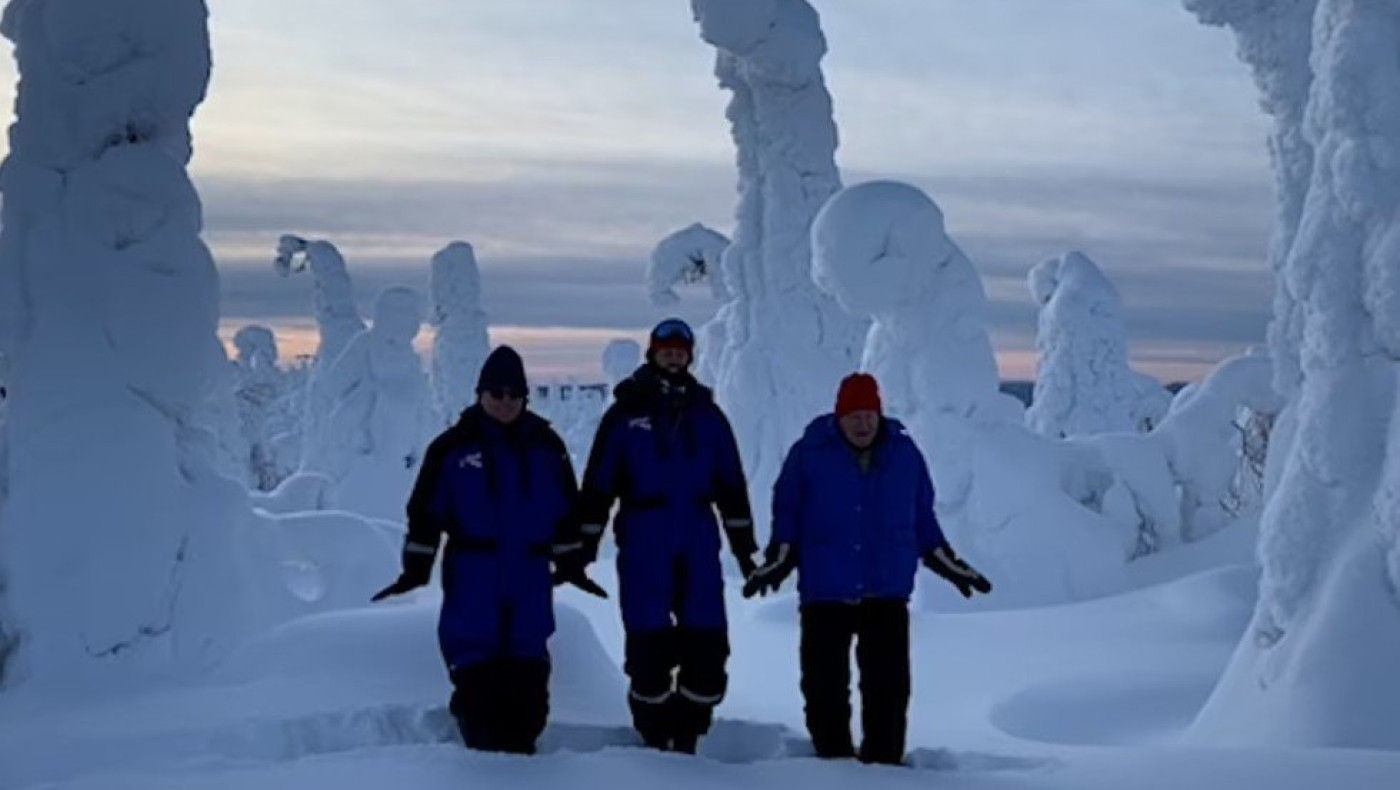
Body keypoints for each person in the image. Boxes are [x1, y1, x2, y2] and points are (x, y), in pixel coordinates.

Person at [743, 372, 992, 765]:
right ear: (839, 418)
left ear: (879, 415)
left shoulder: (905, 454)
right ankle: (833, 761)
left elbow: (921, 519)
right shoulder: (809, 453)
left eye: (869, 416)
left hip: (886, 591)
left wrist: (949, 563)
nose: (862, 424)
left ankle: (884, 764)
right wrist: (778, 559)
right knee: (824, 687)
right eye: (854, 416)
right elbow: (787, 511)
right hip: (827, 590)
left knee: (889, 688)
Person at [372, 345, 597, 755]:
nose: (505, 401)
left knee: (529, 696)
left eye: (514, 393)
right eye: (497, 392)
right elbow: (424, 512)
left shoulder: (547, 446)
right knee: (479, 689)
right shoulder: (453, 448)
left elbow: (568, 510)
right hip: (475, 577)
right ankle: (481, 768)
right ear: (480, 394)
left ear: (524, 397)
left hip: (529, 578)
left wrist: (572, 561)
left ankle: (521, 758)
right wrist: (415, 568)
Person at [577, 318, 758, 754]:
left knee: (708, 645)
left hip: (696, 534)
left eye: (681, 348)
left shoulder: (707, 415)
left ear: (690, 355)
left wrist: (745, 550)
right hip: (644, 534)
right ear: (652, 352)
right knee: (648, 646)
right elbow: (599, 483)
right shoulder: (626, 414)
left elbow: (731, 484)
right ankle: (656, 738)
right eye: (666, 348)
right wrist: (581, 546)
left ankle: (690, 732)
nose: (673, 355)